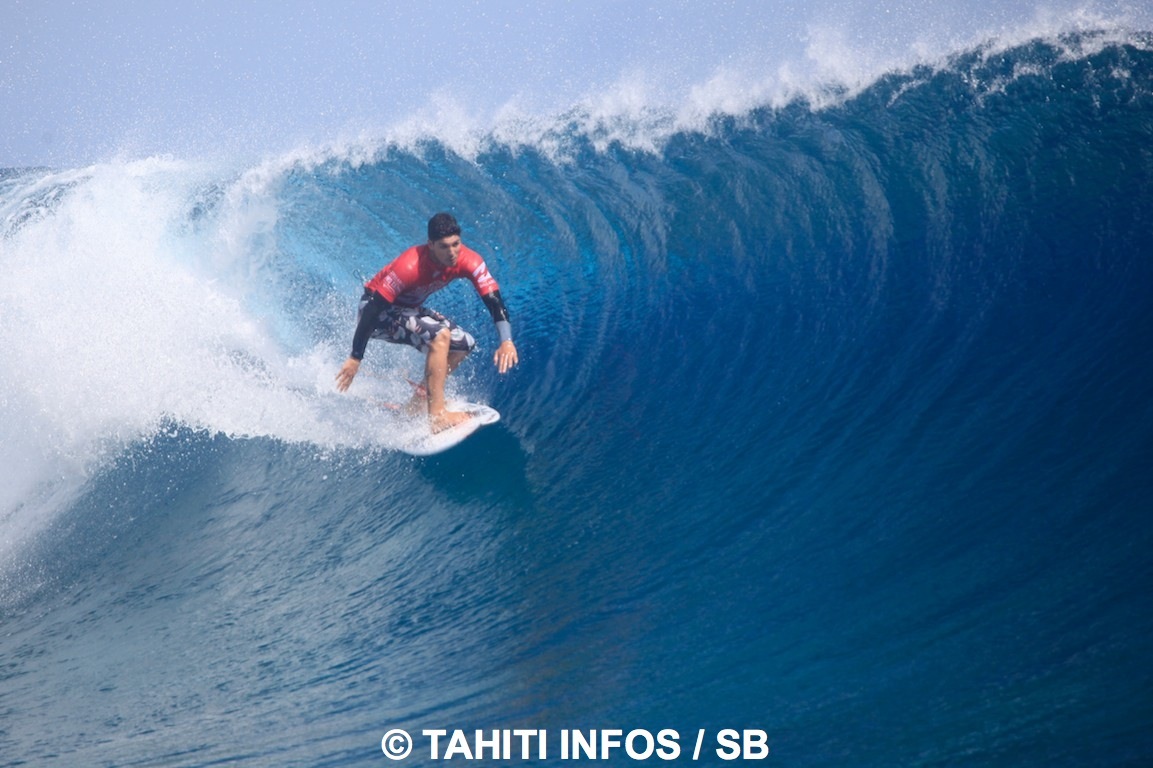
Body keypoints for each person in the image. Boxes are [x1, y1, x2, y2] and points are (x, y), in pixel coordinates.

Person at [335, 213, 518, 431]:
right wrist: (356, 357)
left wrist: (506, 341)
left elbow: (493, 299)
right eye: (444, 246)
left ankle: (418, 403)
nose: (452, 253)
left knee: (464, 344)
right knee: (440, 336)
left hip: (407, 310)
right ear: (430, 244)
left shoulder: (469, 260)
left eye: (456, 244)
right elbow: (373, 308)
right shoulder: (410, 265)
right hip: (375, 312)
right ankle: (437, 417)